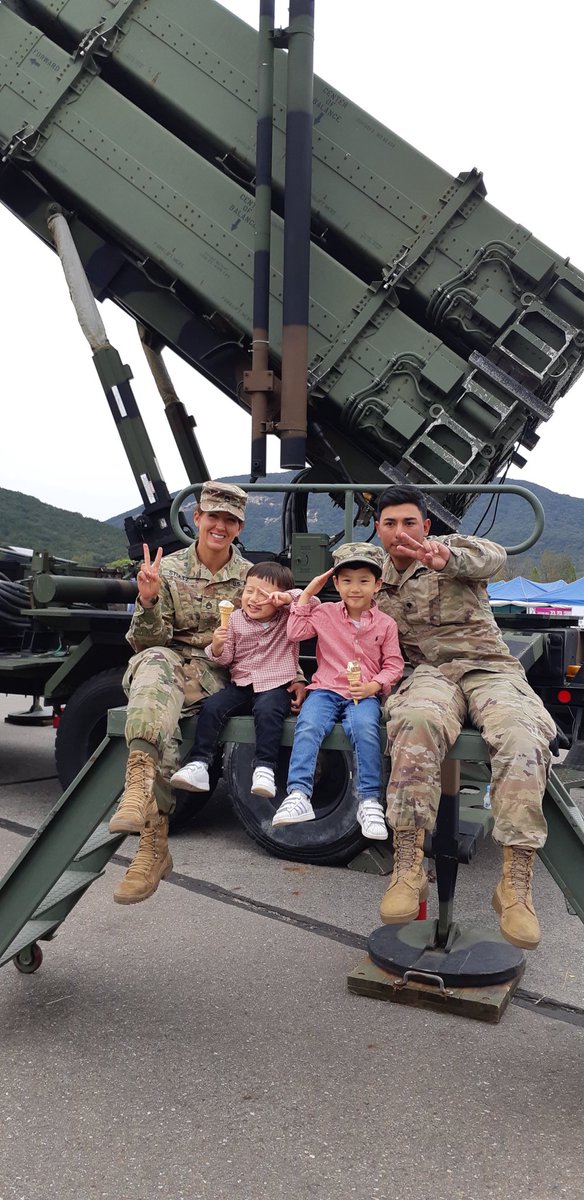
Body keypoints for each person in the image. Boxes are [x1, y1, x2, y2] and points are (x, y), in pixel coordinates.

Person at [374, 483, 557, 949]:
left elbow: (494, 558)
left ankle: (514, 884)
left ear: (426, 525)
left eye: (409, 522)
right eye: (390, 523)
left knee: (522, 734)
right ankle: (409, 862)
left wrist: (445, 559)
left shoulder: (452, 551)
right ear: (378, 529)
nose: (400, 532)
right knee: (415, 721)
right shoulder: (369, 572)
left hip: (486, 668)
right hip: (428, 674)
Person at [108, 480, 251, 905]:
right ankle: (140, 790)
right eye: (213, 517)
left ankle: (153, 843)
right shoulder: (166, 570)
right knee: (153, 669)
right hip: (166, 662)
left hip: (214, 671)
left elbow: (270, 636)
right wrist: (149, 602)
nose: (220, 526)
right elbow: (146, 643)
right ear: (197, 518)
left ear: (239, 526)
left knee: (162, 706)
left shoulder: (249, 578)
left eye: (230, 520)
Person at [270, 543, 404, 840]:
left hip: (363, 693)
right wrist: (307, 593)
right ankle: (299, 794)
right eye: (346, 580)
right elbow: (295, 633)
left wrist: (375, 684)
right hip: (326, 688)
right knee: (309, 725)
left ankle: (369, 801)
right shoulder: (325, 613)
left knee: (365, 729)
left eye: (364, 580)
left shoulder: (386, 624)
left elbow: (394, 664)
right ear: (335, 583)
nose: (355, 588)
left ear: (378, 584)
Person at [169, 562, 304, 801]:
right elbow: (226, 658)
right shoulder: (234, 619)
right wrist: (218, 645)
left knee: (268, 711)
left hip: (274, 686)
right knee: (212, 707)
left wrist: (286, 598)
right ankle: (199, 763)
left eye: (262, 594)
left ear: (277, 597)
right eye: (249, 590)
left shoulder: (288, 618)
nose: (253, 598)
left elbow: (309, 603)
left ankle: (264, 767)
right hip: (241, 684)